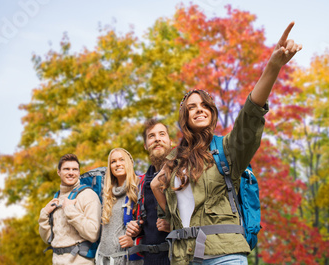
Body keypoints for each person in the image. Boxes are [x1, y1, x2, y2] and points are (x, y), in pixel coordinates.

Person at [151, 22, 302, 264]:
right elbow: (162, 200)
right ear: (185, 118)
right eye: (192, 108)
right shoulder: (173, 160)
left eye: (204, 106)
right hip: (183, 257)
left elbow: (250, 116)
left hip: (224, 254)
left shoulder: (227, 149)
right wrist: (163, 203)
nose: (199, 110)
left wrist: (273, 67)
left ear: (211, 112)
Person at [125, 119, 173, 265]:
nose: (157, 138)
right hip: (150, 260)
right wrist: (136, 229)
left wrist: (174, 225)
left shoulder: (183, 173)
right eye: (151, 136)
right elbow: (146, 222)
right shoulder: (143, 183)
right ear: (146, 146)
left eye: (162, 134)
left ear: (170, 141)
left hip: (179, 258)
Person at [39, 153, 101, 265]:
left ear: (78, 172)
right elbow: (48, 239)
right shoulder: (56, 198)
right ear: (59, 172)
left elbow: (93, 234)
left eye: (74, 169)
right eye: (66, 169)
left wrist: (70, 210)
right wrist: (44, 214)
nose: (71, 173)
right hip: (57, 261)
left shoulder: (88, 195)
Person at [95, 148, 143, 265]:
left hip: (128, 260)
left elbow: (150, 225)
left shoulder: (139, 188)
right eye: (113, 161)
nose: (118, 164)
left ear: (130, 163)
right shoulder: (107, 193)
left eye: (122, 160)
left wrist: (135, 241)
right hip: (104, 259)